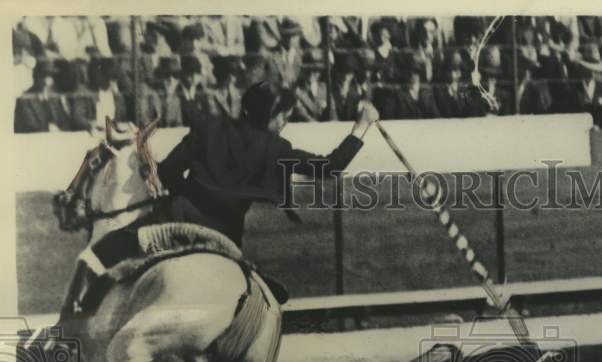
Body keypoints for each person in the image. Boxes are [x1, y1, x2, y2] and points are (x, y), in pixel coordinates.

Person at [59, 82, 381, 319]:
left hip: (173, 222)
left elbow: (169, 172)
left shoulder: (209, 127)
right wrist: (361, 126)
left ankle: (75, 323)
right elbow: (330, 166)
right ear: (275, 117)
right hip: (222, 241)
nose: (284, 123)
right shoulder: (277, 149)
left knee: (99, 253)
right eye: (283, 116)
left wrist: (175, 187)